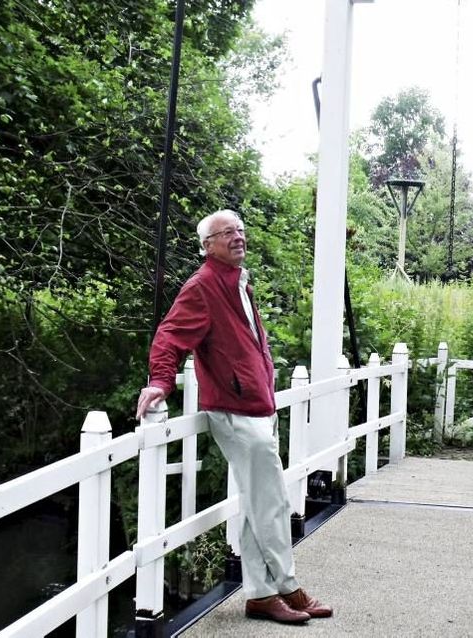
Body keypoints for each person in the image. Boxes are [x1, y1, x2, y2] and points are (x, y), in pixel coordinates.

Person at [135, 209, 332, 625]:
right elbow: (169, 335)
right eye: (226, 233)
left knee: (256, 502)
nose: (237, 237)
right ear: (208, 246)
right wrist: (160, 381)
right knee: (273, 502)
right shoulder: (203, 286)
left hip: (258, 406)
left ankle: (260, 595)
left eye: (240, 230)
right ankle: (288, 587)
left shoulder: (238, 281)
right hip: (234, 410)